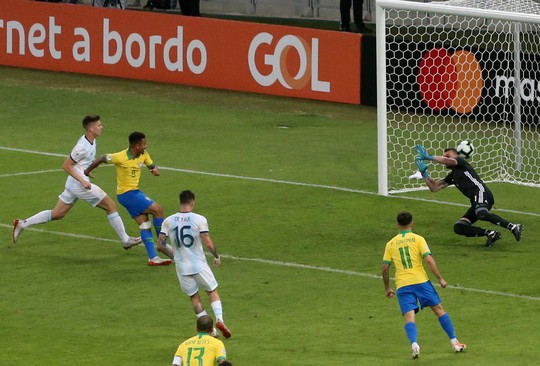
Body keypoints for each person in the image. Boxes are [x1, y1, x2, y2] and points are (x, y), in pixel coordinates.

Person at [12, 115, 141, 249]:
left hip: (73, 184)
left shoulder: (91, 140)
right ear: (91, 128)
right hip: (79, 185)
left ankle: (22, 223)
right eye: (99, 125)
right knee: (110, 205)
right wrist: (83, 180)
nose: (101, 127)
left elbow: (81, 163)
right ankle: (125, 240)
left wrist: (86, 171)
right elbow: (66, 165)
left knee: (57, 214)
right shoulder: (82, 147)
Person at [382, 211, 467, 359]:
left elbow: (385, 268)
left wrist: (387, 288)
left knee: (409, 319)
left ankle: (414, 344)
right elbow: (428, 260)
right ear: (412, 223)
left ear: (397, 224)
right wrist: (440, 278)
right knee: (439, 310)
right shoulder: (418, 239)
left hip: (403, 285)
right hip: (421, 282)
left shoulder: (390, 244)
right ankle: (454, 342)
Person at [84, 131, 172, 266]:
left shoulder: (144, 155)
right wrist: (87, 171)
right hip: (128, 194)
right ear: (136, 146)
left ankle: (153, 258)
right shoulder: (120, 157)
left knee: (145, 224)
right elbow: (102, 158)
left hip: (133, 193)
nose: (146, 146)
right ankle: (162, 244)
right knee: (158, 210)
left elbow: (152, 166)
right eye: (144, 144)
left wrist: (154, 170)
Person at [415, 144, 524, 247]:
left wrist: (428, 157)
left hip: (481, 193)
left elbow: (447, 161)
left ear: (456, 156)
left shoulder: (461, 162)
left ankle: (513, 227)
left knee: (481, 214)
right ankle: (491, 233)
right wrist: (424, 174)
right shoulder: (453, 175)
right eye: (444, 156)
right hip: (475, 200)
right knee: (459, 227)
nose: (445, 158)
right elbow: (434, 188)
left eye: (447, 156)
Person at [157, 190, 232, 338]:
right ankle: (219, 319)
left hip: (181, 267)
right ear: (192, 202)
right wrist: (216, 256)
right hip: (198, 264)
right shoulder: (199, 219)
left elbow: (160, 245)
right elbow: (208, 243)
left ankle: (212, 331)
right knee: (212, 291)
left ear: (180, 202)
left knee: (194, 298)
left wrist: (175, 256)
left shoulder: (168, 221)